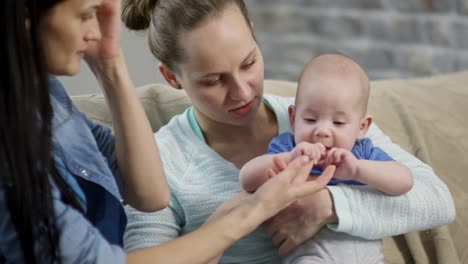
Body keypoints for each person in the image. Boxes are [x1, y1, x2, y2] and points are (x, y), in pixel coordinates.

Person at [122, 0, 455, 263]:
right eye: (214, 80)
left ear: (254, 35)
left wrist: (329, 204)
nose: (242, 91)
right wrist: (225, 226)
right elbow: (144, 258)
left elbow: (436, 200)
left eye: (249, 62)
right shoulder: (157, 162)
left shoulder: (319, 116)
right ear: (171, 77)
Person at [0, 0, 332, 263]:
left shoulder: (49, 99)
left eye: (248, 63)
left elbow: (147, 194)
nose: (94, 30)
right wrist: (252, 209)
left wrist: (110, 63)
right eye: (86, 14)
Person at [239, 53, 414, 263]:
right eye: (310, 119)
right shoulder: (289, 146)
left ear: (362, 127)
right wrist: (290, 159)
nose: (322, 131)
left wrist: (358, 169)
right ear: (294, 118)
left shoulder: (363, 153)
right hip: (311, 255)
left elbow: (404, 181)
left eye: (338, 123)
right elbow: (247, 178)